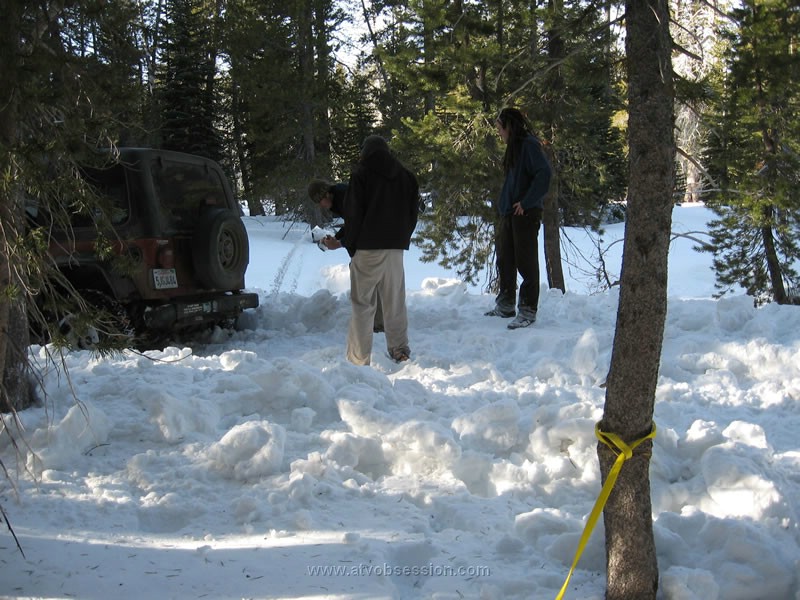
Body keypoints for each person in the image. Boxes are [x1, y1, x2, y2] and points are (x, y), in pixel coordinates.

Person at [339, 135, 419, 365]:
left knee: (363, 304)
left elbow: (353, 214)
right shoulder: (406, 176)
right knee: (394, 301)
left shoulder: (361, 175)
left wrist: (351, 245)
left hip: (366, 249)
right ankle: (399, 349)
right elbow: (412, 213)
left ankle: (358, 358)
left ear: (366, 152)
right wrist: (402, 237)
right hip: (395, 249)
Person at [486, 107, 552, 329]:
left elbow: (544, 175)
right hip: (509, 213)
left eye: (500, 128)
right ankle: (505, 304)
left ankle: (527, 310)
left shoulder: (529, 145)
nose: (499, 133)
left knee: (526, 262)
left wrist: (526, 202)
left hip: (525, 213)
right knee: (505, 259)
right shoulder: (515, 148)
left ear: (509, 126)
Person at [308, 178, 385, 333]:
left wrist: (339, 243)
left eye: (320, 201)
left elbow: (359, 225)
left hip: (373, 241)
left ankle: (377, 324)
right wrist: (337, 238)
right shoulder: (341, 197)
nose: (322, 206)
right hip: (370, 241)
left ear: (326, 194)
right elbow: (351, 224)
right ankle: (374, 321)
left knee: (367, 281)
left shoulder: (345, 197)